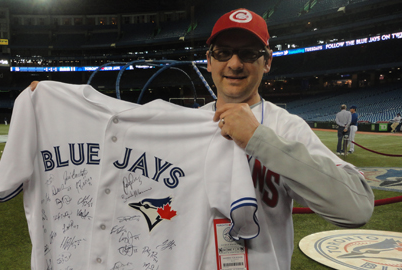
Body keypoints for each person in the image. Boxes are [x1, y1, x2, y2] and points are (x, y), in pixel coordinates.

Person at [28, 8, 374, 270]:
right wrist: (51, 108)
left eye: (249, 54)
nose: (235, 64)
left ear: (267, 62)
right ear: (208, 61)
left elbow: (357, 207)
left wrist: (258, 139)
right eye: (223, 52)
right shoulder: (182, 126)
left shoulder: (286, 128)